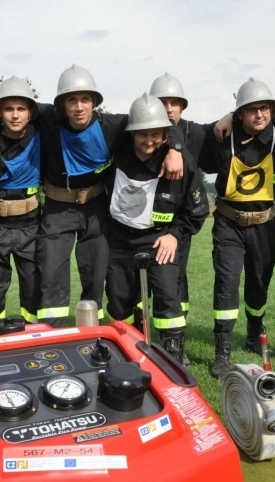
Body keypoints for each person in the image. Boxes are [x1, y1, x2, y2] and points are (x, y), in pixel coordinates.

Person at [34, 65, 184, 327]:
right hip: (58, 209)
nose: (79, 107)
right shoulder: (48, 118)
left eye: (85, 99)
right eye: (71, 100)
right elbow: (2, 105)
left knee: (95, 275)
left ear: (94, 102)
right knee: (51, 275)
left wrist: (176, 149)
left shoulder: (113, 126)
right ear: (61, 104)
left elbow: (161, 123)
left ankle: (90, 335)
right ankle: (51, 337)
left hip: (96, 209)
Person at [195, 78, 275, 377]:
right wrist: (223, 117)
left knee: (259, 282)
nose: (259, 115)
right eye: (251, 110)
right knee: (227, 282)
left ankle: (252, 335)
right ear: (239, 114)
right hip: (228, 223)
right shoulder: (222, 136)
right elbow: (186, 131)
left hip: (265, 224)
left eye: (265, 109)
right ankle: (222, 351)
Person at [104, 93, 208, 364]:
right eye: (142, 135)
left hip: (160, 240)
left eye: (156, 135)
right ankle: (125, 351)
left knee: (166, 297)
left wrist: (174, 235)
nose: (149, 142)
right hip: (119, 241)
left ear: (165, 133)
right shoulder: (116, 148)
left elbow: (196, 210)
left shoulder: (180, 159)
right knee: (119, 303)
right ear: (131, 134)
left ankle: (173, 357)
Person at [149, 73, 211, 364]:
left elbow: (229, 130)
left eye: (175, 103)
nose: (169, 108)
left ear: (183, 107)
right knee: (138, 286)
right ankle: (142, 340)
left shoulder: (195, 134)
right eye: (163, 103)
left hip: (178, 223)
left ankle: (176, 346)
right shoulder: (140, 129)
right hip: (142, 224)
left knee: (174, 282)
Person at [0, 77, 42, 326]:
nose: (15, 115)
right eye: (9, 109)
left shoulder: (42, 133)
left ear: (31, 112)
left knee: (34, 286)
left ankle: (33, 337)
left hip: (31, 223)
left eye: (21, 108)